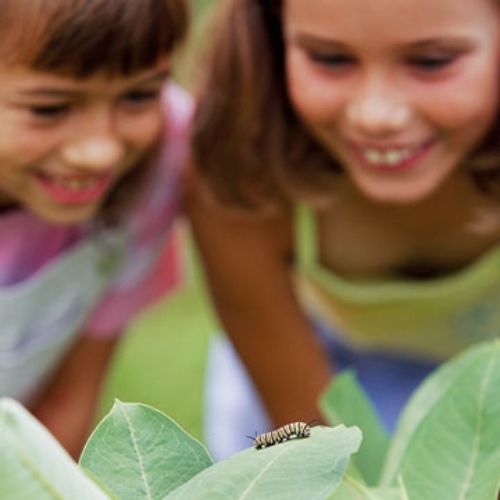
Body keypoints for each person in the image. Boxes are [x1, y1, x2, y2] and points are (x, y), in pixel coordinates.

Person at [186, 0, 500, 459]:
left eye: (430, 62)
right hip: (319, 376)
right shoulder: (244, 168)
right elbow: (316, 448)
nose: (376, 115)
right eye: (330, 59)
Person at [0, 0, 191, 459]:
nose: (99, 152)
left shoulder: (157, 160)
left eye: (139, 96)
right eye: (49, 108)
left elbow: (66, 404)